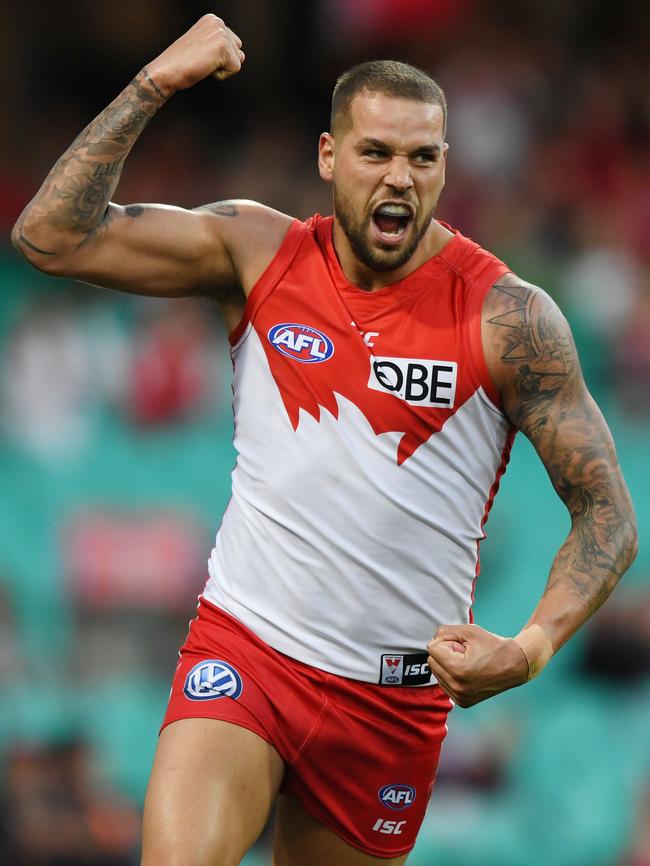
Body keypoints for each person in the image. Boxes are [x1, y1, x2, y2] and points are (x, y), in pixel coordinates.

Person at [12, 14, 637, 866]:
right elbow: (49, 236)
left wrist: (528, 650)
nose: (401, 178)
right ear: (328, 157)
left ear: (445, 164)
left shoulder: (509, 317)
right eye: (376, 152)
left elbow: (607, 513)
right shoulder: (256, 250)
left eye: (424, 157)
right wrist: (153, 83)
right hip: (247, 650)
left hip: (390, 705)